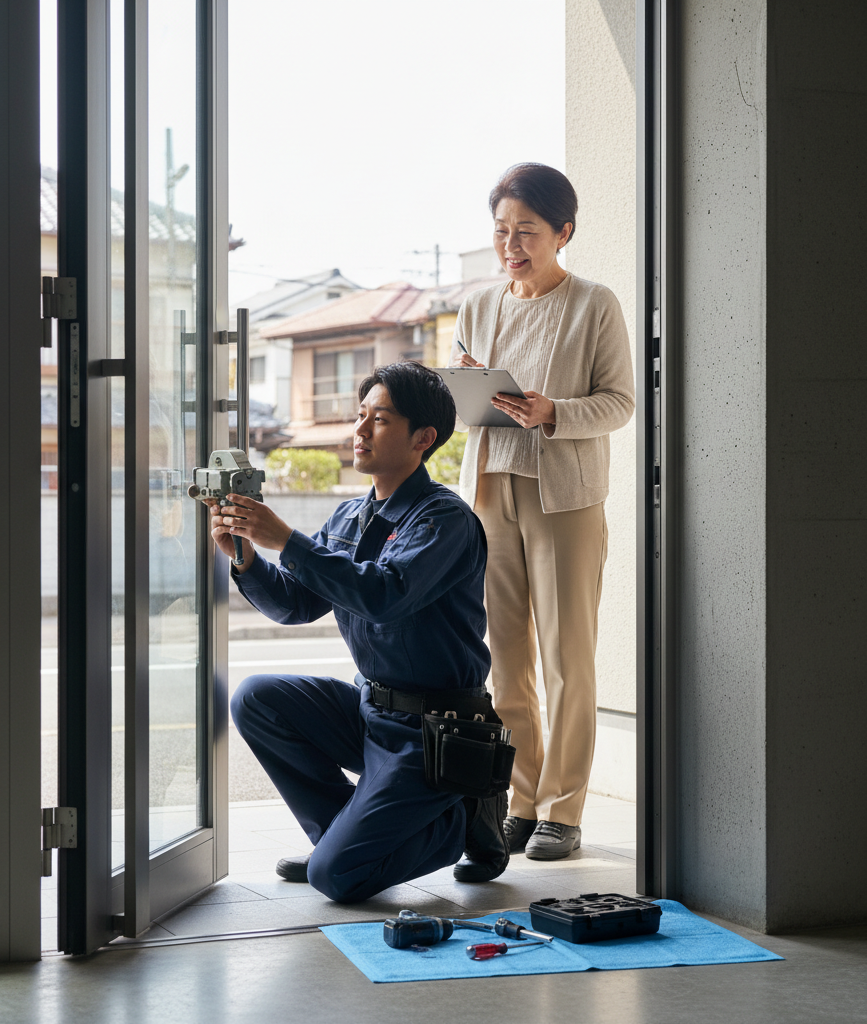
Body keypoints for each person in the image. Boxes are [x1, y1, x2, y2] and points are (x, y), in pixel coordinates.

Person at [211, 361, 509, 903]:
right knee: (256, 698)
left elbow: (385, 595)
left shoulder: (444, 519)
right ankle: (339, 837)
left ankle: (461, 817)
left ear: (423, 438)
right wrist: (246, 556)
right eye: (360, 415)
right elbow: (295, 604)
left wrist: (289, 541)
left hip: (433, 731)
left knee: (335, 879)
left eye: (381, 419)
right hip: (372, 713)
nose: (361, 429)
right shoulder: (349, 516)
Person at [452, 163, 635, 860]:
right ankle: (521, 801)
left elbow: (619, 402)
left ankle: (563, 809)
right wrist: (466, 393)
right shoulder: (478, 307)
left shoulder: (594, 304)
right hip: (490, 491)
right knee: (506, 659)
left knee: (567, 658)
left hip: (565, 498)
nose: (511, 245)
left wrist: (552, 411)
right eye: (502, 230)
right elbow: (465, 403)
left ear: (563, 232)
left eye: (526, 231)